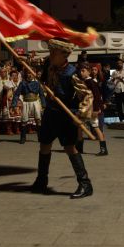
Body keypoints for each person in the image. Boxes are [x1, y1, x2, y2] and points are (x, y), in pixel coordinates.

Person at [30, 39, 94, 199]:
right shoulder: (51, 67)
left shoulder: (72, 73)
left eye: (53, 53)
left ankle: (85, 184)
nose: (50, 55)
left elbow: (87, 95)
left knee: (70, 147)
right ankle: (41, 180)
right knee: (44, 145)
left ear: (64, 55)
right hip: (50, 113)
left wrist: (80, 115)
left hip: (65, 115)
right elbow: (44, 79)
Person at [77, 63, 109, 155]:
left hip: (91, 109)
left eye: (83, 71)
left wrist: (96, 109)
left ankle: (103, 149)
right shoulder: (83, 81)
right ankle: (79, 148)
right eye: (80, 71)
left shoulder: (91, 82)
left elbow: (97, 97)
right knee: (79, 127)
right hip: (84, 108)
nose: (81, 72)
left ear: (89, 72)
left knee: (96, 128)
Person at [14, 69, 45, 144]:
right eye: (28, 73)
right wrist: (14, 104)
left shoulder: (37, 83)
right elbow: (17, 94)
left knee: (38, 120)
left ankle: (40, 137)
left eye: (31, 73)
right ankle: (23, 138)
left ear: (34, 74)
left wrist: (44, 104)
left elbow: (41, 94)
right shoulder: (23, 83)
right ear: (26, 74)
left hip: (35, 102)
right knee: (24, 121)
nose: (30, 75)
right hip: (26, 102)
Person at [0, 67, 17, 135]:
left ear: (6, 73)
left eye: (4, 72)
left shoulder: (9, 80)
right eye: (1, 72)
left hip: (8, 98)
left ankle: (8, 129)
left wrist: (8, 96)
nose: (3, 73)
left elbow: (13, 89)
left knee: (9, 113)